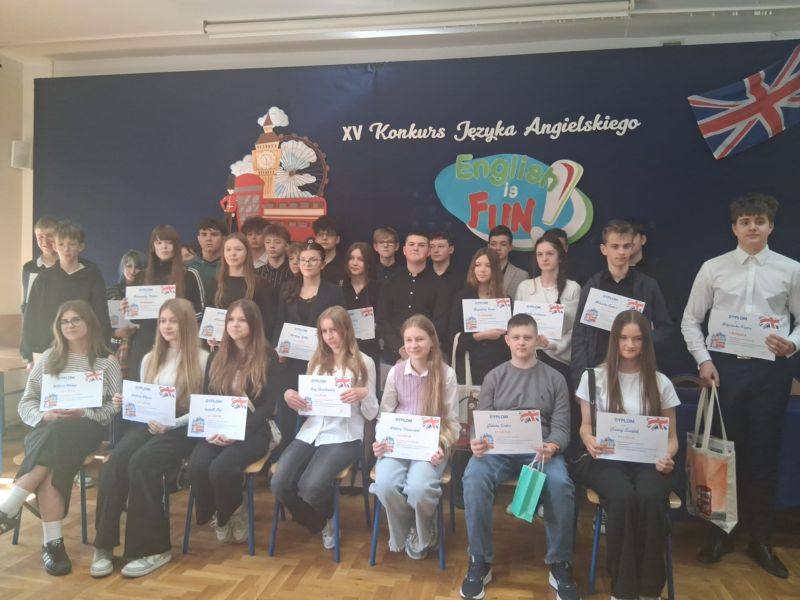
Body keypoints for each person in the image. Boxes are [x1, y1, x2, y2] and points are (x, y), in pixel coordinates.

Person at [681, 193, 800, 579]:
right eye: (745, 221)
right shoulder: (713, 268)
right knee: (721, 455)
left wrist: (793, 343)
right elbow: (690, 320)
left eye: (759, 221)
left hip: (770, 373)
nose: (752, 227)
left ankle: (760, 539)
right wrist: (704, 361)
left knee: (764, 456)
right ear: (734, 228)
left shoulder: (790, 270)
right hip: (725, 373)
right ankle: (720, 535)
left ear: (771, 227)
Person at [460, 313, 579, 600]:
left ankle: (560, 563)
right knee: (473, 478)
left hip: (541, 451)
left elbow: (562, 427)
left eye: (528, 337)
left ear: (537, 340)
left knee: (561, 484)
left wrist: (553, 445)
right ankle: (479, 560)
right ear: (507, 340)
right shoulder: (494, 377)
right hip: (498, 450)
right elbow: (482, 423)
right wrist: (477, 442)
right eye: (516, 337)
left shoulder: (555, 378)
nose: (522, 342)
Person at [0, 300, 121, 576]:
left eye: (76, 319)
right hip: (46, 427)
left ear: (89, 322)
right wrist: (44, 416)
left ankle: (12, 506)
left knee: (56, 439)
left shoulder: (107, 361)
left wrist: (84, 412)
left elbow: (112, 409)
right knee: (53, 448)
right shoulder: (48, 358)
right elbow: (27, 402)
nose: (70, 325)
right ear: (58, 327)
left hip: (85, 428)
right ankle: (50, 544)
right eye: (64, 321)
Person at [91, 298, 208, 578]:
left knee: (142, 464)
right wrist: (126, 402)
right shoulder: (149, 358)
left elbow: (203, 409)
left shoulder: (203, 359)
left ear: (186, 324)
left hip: (182, 428)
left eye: (173, 321)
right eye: (163, 321)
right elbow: (144, 401)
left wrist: (171, 424)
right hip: (149, 424)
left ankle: (153, 549)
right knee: (114, 462)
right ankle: (104, 545)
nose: (167, 326)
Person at [576, 310, 679, 600]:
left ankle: (649, 590)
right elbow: (585, 426)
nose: (630, 344)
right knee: (622, 497)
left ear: (646, 342)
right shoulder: (593, 377)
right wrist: (588, 439)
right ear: (614, 340)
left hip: (649, 461)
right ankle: (622, 590)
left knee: (650, 497)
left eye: (637, 339)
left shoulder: (661, 382)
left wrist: (667, 457)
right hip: (605, 460)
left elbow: (671, 439)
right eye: (623, 338)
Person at [272, 306, 378, 548]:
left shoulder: (365, 362)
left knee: (310, 486)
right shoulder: (316, 360)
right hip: (312, 430)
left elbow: (371, 413)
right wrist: (292, 397)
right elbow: (307, 404)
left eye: (334, 330)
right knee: (278, 484)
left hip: (345, 435)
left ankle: (326, 516)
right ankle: (318, 521)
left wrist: (364, 394)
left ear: (346, 330)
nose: (329, 336)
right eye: (324, 331)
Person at [189, 299, 286, 543]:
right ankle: (218, 510)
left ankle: (229, 513)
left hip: (253, 430)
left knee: (221, 468)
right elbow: (207, 398)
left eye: (242, 320)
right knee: (198, 465)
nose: (235, 325)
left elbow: (267, 407)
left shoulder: (268, 356)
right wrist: (211, 430)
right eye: (231, 320)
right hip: (217, 427)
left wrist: (237, 432)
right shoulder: (216, 356)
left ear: (254, 324)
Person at [372, 315, 458, 560]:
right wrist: (380, 440)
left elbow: (453, 422)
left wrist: (442, 445)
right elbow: (384, 415)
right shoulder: (396, 372)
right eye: (408, 340)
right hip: (397, 443)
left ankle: (424, 529)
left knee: (419, 488)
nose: (413, 345)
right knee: (385, 484)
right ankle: (412, 524)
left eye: (419, 339)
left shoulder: (446, 374)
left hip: (431, 446)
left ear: (431, 341)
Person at [570, 220, 673, 387]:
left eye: (626, 246)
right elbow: (579, 335)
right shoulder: (592, 286)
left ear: (632, 248)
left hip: (637, 372)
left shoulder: (648, 286)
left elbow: (666, 329)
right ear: (604, 249)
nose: (621, 251)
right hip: (599, 372)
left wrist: (642, 339)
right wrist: (580, 379)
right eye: (615, 246)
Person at [273, 242, 345, 445]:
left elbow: (341, 326)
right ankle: (285, 453)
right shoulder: (287, 288)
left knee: (313, 414)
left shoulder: (334, 292)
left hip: (322, 361)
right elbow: (280, 322)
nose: (307, 263)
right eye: (303, 260)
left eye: (313, 259)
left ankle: (309, 455)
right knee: (287, 414)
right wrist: (278, 348)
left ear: (322, 263)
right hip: (290, 362)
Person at [21, 220, 112, 368]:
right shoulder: (44, 278)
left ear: (81, 247)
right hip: (50, 349)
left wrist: (103, 347)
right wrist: (27, 353)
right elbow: (32, 315)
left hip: (85, 350)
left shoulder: (92, 274)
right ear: (55, 247)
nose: (66, 249)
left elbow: (101, 313)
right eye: (61, 244)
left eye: (72, 244)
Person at [125, 225, 204, 382]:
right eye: (159, 243)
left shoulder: (189, 275)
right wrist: (128, 309)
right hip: (146, 341)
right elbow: (136, 319)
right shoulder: (141, 276)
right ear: (153, 246)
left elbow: (199, 313)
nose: (164, 247)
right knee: (141, 387)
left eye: (168, 242)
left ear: (176, 246)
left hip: (178, 344)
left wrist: (178, 319)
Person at [515, 235, 581, 393]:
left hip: (558, 362)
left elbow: (575, 331)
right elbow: (515, 325)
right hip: (527, 359)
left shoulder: (572, 288)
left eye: (550, 254)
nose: (544, 258)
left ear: (560, 256)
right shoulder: (525, 286)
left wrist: (551, 345)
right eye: (540, 254)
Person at [377, 231, 449, 373]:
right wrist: (400, 349)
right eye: (411, 244)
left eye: (421, 245)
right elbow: (382, 320)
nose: (416, 248)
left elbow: (440, 323)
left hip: (427, 358)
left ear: (428, 252)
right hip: (392, 356)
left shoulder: (440, 285)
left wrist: (418, 351)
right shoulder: (389, 283)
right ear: (404, 250)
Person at [450, 248, 511, 385]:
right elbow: (454, 339)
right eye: (478, 265)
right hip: (470, 368)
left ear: (496, 270)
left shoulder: (505, 301)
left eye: (488, 266)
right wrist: (482, 335)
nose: (482, 269)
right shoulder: (462, 298)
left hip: (499, 367)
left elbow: (511, 341)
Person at [206, 233, 277, 338]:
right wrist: (210, 337)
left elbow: (268, 320)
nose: (232, 253)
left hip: (251, 342)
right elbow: (209, 315)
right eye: (228, 249)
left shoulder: (260, 284)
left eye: (238, 249)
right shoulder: (215, 282)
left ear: (247, 252)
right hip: (221, 342)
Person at [342, 242, 382, 372]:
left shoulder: (378, 288)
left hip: (370, 348)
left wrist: (376, 325)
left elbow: (383, 317)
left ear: (368, 263)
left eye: (360, 259)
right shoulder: (340, 289)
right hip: (344, 349)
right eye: (351, 258)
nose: (354, 263)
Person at [106, 250, 147, 376]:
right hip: (119, 345)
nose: (133, 271)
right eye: (129, 266)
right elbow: (107, 323)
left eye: (138, 267)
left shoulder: (149, 292)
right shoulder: (112, 290)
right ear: (122, 267)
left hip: (144, 343)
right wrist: (116, 332)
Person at [21, 216, 59, 314]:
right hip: (37, 322)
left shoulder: (70, 266)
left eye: (49, 236)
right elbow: (26, 303)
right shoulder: (29, 268)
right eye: (40, 237)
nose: (45, 241)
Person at [187, 218, 228, 297]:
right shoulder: (188, 267)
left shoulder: (231, 266)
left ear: (224, 239)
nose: (208, 239)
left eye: (214, 234)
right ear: (198, 239)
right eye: (204, 234)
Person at [487, 225, 528, 299]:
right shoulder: (479, 272)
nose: (497, 248)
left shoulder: (522, 275)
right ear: (488, 246)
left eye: (503, 244)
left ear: (510, 247)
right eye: (493, 244)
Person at [256, 223, 294, 291]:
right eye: (268, 242)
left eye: (277, 242)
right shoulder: (257, 273)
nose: (272, 246)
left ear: (286, 245)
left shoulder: (293, 272)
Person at [313, 216, 346, 286]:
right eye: (320, 234)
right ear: (315, 239)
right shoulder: (308, 262)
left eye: (329, 234)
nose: (324, 238)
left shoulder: (345, 264)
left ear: (337, 239)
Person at [429, 231, 462, 302]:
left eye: (440, 246)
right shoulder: (423, 275)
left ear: (451, 249)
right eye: (432, 247)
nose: (435, 250)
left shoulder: (461, 278)